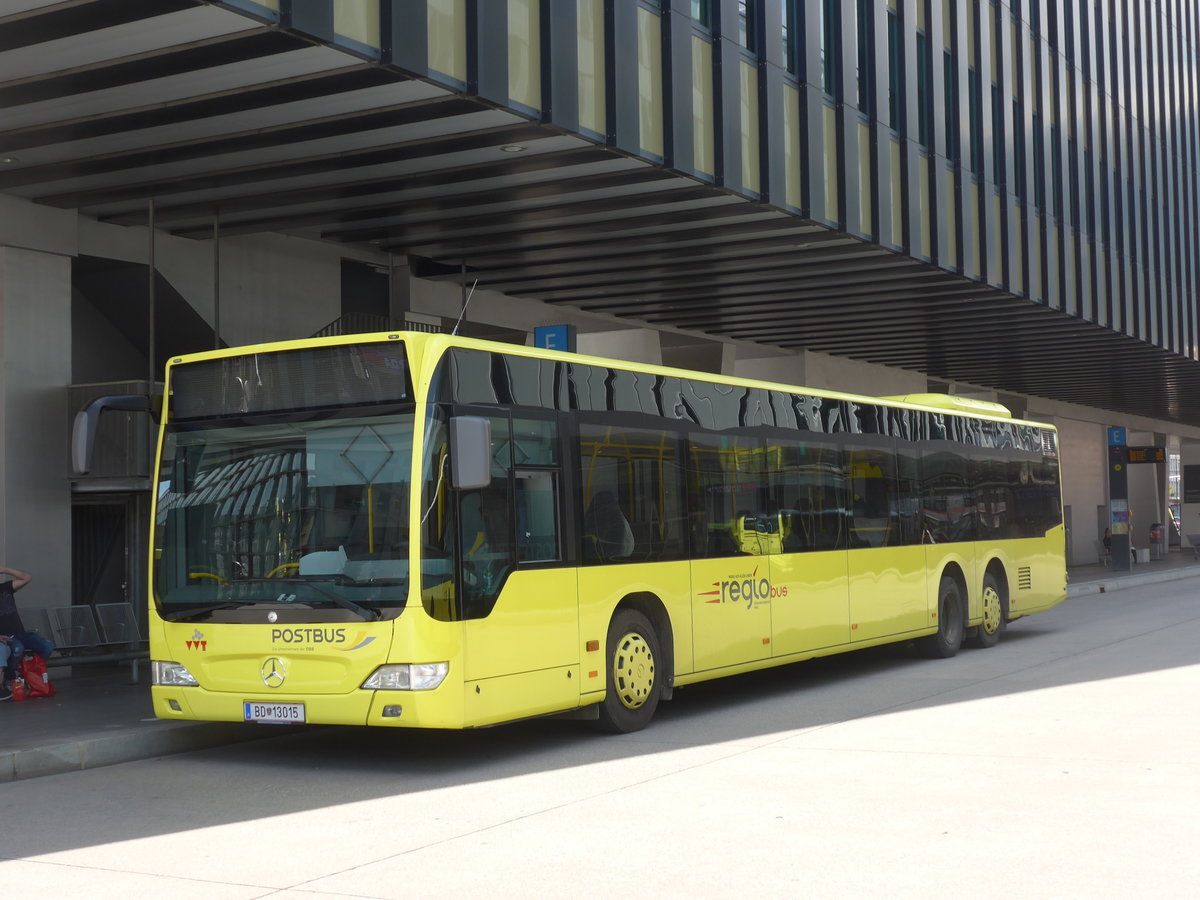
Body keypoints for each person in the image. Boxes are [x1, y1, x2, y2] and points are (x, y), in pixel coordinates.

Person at [1, 564, 55, 701]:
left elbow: (27, 577)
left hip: (21, 633)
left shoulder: (5, 587)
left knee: (47, 646)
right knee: (17, 648)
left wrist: (5, 570)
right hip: (6, 637)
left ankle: (31, 675)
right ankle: (9, 679)